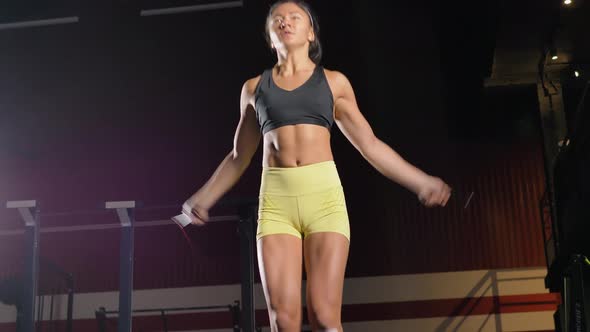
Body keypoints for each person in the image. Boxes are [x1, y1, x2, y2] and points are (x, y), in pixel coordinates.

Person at [182, 1, 452, 331]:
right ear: (270, 37)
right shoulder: (254, 88)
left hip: (324, 201)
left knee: (324, 317)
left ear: (311, 32)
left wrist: (421, 182)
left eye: (295, 16)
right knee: (284, 320)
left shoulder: (334, 83)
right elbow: (239, 156)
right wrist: (203, 197)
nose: (285, 22)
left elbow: (369, 145)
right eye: (276, 19)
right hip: (276, 205)